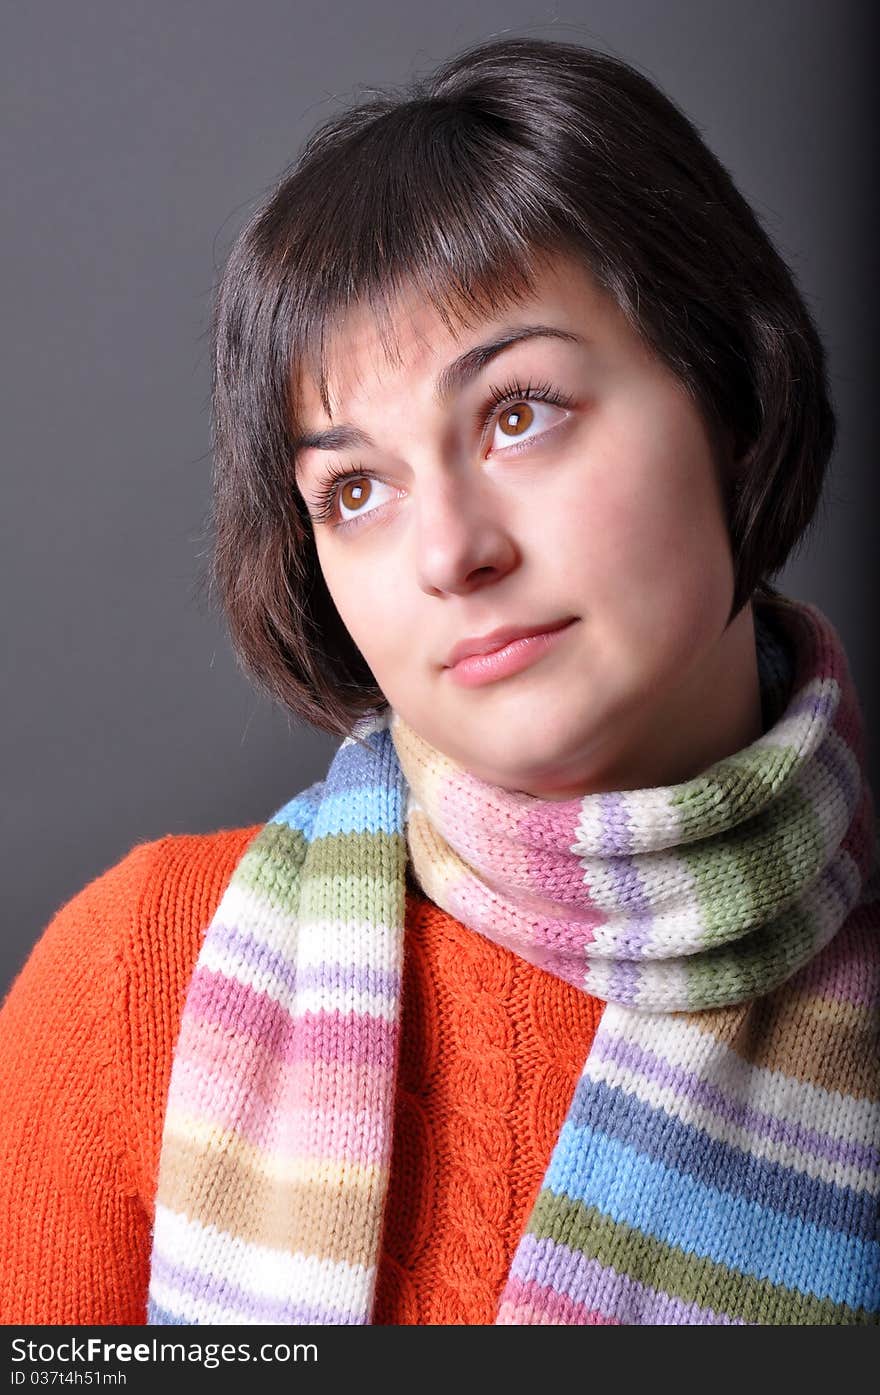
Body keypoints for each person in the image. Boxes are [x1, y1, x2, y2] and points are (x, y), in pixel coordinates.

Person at [1, 34, 877, 1328]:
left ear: (730, 393)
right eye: (354, 489)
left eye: (519, 412)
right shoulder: (133, 980)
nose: (452, 553)